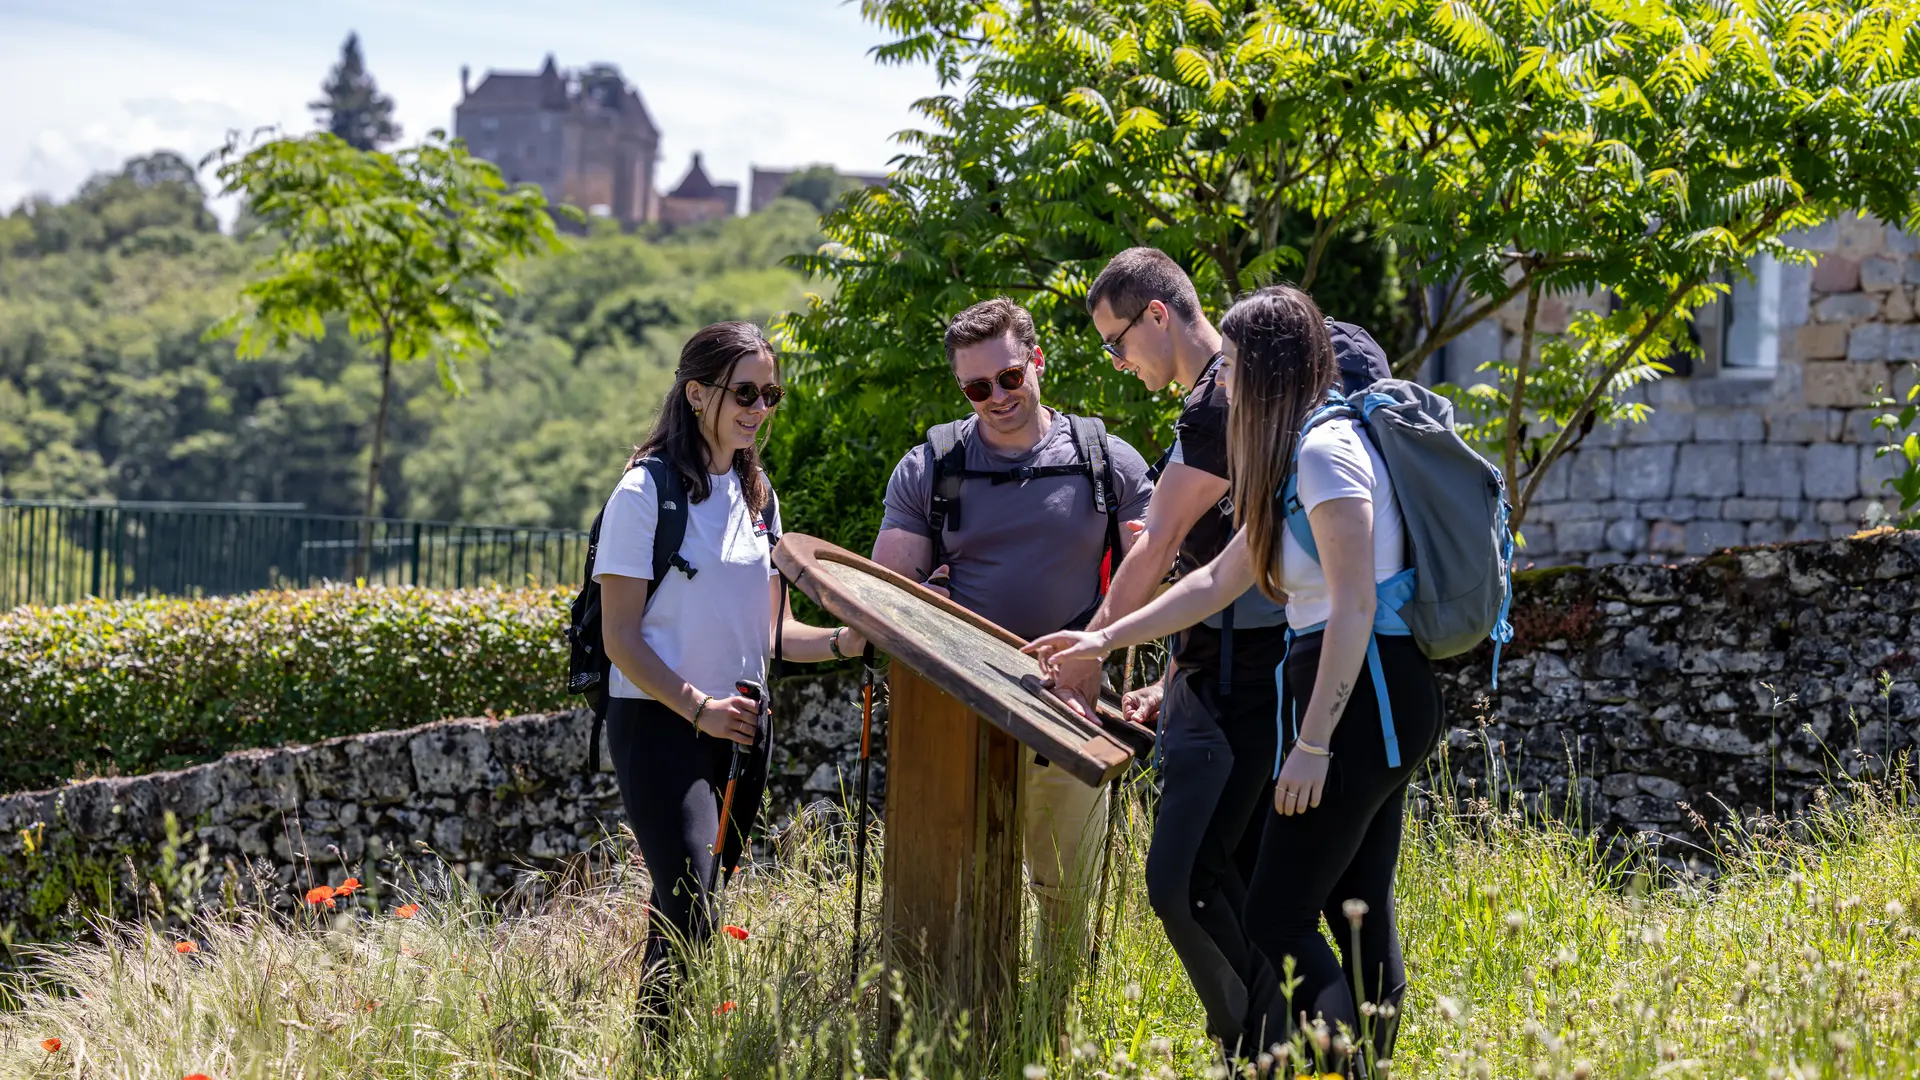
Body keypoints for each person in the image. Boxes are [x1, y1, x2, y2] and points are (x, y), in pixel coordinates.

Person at [1026, 286, 1442, 1073]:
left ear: (1267, 370)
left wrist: (1313, 743)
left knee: (1278, 917)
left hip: (1367, 698)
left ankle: (1341, 1067)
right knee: (1353, 907)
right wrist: (1102, 637)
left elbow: (1355, 606)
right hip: (1356, 694)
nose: (1220, 381)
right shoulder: (1295, 458)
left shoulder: (1325, 455)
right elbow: (1216, 581)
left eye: (1232, 367)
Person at [869, 296, 1154, 1008]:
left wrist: (1096, 648)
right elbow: (889, 593)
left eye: (1008, 377)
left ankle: (1056, 1030)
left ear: (1037, 362)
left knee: (1067, 899)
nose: (996, 397)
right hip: (960, 714)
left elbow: (1153, 570)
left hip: (1070, 710)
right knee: (958, 896)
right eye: (976, 387)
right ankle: (956, 1034)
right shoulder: (931, 466)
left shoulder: (1103, 458)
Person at [594, 321, 865, 1029]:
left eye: (771, 394)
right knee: (691, 901)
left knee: (692, 902)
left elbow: (774, 634)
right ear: (696, 393)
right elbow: (619, 638)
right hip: (661, 722)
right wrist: (698, 709)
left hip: (745, 725)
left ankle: (659, 1054)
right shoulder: (643, 493)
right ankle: (667, 1049)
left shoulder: (758, 495)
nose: (760, 408)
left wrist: (846, 641)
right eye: (745, 392)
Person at [1080, 248, 1289, 1053]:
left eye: (1116, 341)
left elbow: (1160, 544)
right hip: (1236, 673)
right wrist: (1168, 676)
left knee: (1183, 884)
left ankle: (1258, 1045)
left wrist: (1091, 649)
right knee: (1235, 882)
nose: (1118, 362)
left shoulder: (1214, 406)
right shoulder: (1240, 397)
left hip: (1236, 688)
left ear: (1157, 314)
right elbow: (1216, 567)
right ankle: (1284, 1047)